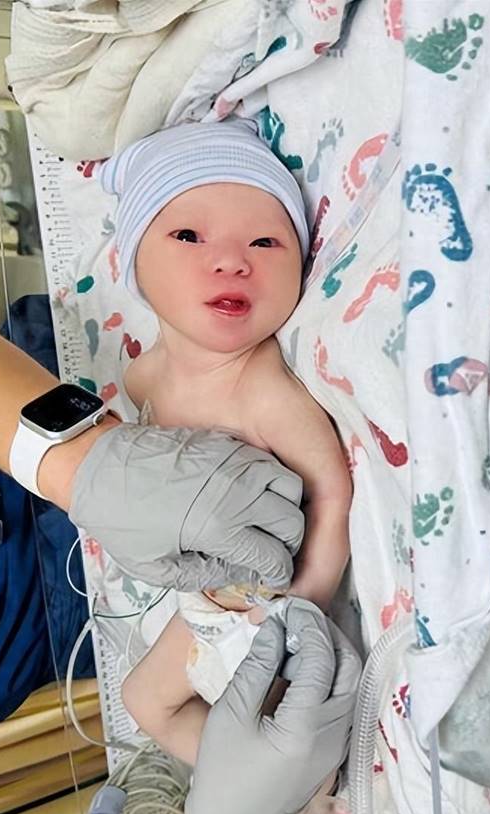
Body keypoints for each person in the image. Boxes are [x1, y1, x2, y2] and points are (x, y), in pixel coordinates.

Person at [0, 288, 361, 814]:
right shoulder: (174, 662)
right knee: (156, 702)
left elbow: (327, 500)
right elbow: (151, 702)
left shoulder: (181, 382)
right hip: (63, 611)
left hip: (40, 401)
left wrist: (74, 458)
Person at [100, 120, 352, 780]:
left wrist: (303, 605)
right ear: (132, 263)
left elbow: (332, 492)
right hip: (204, 601)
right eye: (189, 236)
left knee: (270, 722)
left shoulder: (261, 389)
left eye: (266, 242)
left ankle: (299, 785)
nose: (233, 261)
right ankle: (258, 797)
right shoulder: (140, 378)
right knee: (143, 701)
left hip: (273, 611)